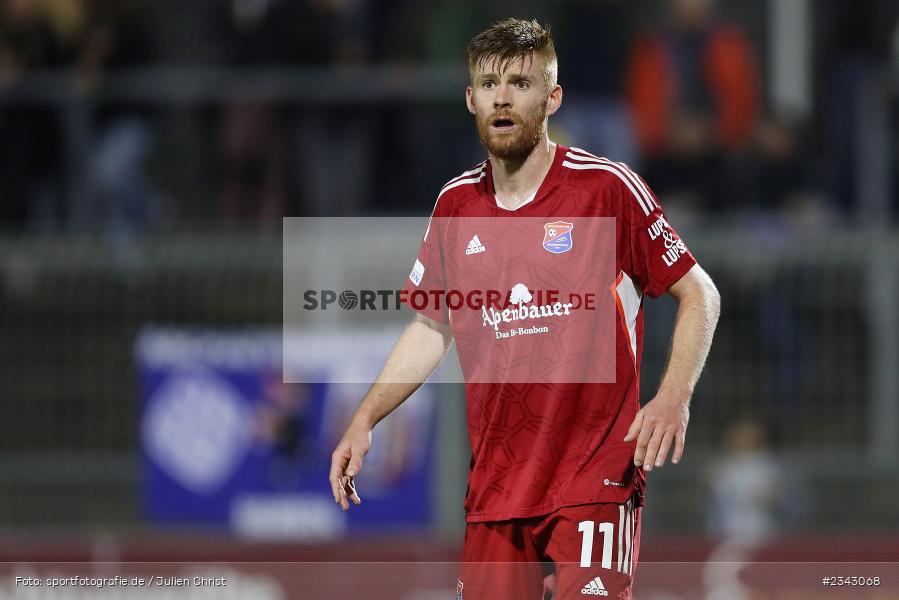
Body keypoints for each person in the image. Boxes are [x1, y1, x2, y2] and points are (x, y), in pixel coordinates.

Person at [329, 19, 721, 599]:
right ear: (470, 99)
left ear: (551, 97)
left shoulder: (606, 190)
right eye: (488, 84)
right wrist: (364, 419)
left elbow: (700, 293)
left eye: (520, 81)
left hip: (595, 476)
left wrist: (673, 396)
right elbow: (432, 327)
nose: (502, 97)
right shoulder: (456, 204)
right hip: (498, 486)